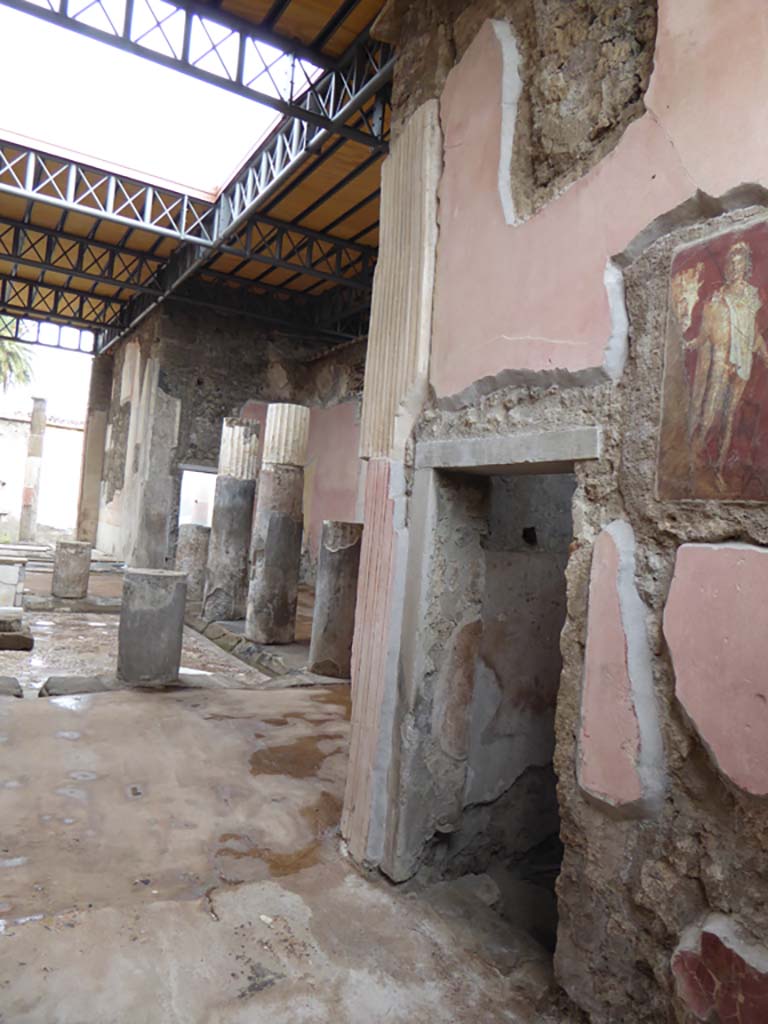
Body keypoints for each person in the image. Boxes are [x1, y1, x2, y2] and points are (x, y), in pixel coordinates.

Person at [685, 240, 768, 486]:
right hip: (721, 360)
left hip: (742, 362)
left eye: (738, 263)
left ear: (746, 267)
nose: (733, 267)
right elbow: (706, 332)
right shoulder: (718, 296)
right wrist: (692, 343)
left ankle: (719, 469)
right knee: (710, 414)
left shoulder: (752, 296)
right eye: (730, 263)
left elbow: (754, 333)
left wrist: (765, 353)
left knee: (730, 417)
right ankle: (693, 459)